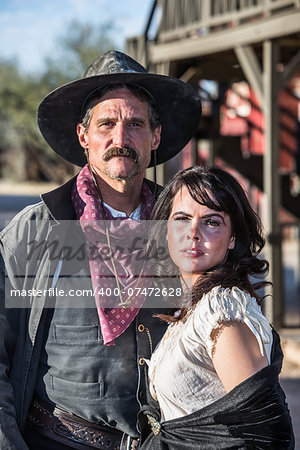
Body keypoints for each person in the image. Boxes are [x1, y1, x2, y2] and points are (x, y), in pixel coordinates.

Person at [0, 51, 202, 449]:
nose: (120, 139)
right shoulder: (36, 230)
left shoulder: (182, 228)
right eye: (106, 124)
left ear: (155, 137)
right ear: (83, 136)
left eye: (136, 124)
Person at [138, 166, 295, 449]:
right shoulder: (191, 308)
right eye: (182, 218)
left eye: (211, 222)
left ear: (233, 237)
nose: (193, 233)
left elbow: (262, 434)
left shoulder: (222, 309)